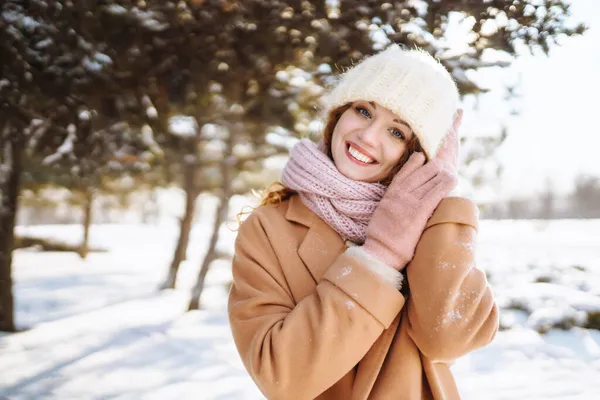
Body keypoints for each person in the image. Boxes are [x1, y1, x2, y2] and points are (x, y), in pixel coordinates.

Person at [228, 44, 499, 400]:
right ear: (337, 114)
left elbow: (447, 338)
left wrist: (439, 199)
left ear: (415, 156)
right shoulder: (268, 228)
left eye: (397, 132)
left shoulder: (427, 225)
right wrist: (380, 256)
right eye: (363, 111)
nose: (368, 137)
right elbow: (281, 377)